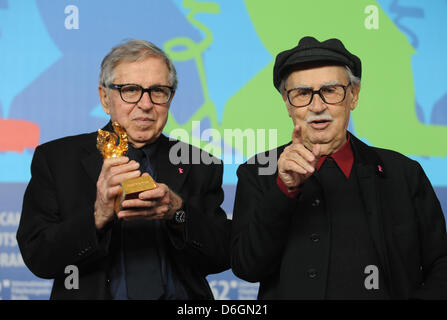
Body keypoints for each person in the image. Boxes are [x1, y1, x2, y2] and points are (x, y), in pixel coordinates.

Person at [230, 36, 447, 299]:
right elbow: (247, 267)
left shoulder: (403, 173)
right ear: (288, 105)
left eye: (330, 90)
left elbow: (440, 263)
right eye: (302, 94)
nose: (317, 106)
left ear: (353, 96)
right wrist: (284, 190)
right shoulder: (258, 172)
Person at [17, 39, 231, 300]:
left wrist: (178, 213)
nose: (145, 104)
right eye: (130, 90)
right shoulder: (57, 159)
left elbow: (223, 254)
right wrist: (97, 216)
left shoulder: (200, 163)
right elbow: (39, 257)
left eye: (158, 91)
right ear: (105, 98)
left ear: (170, 98)